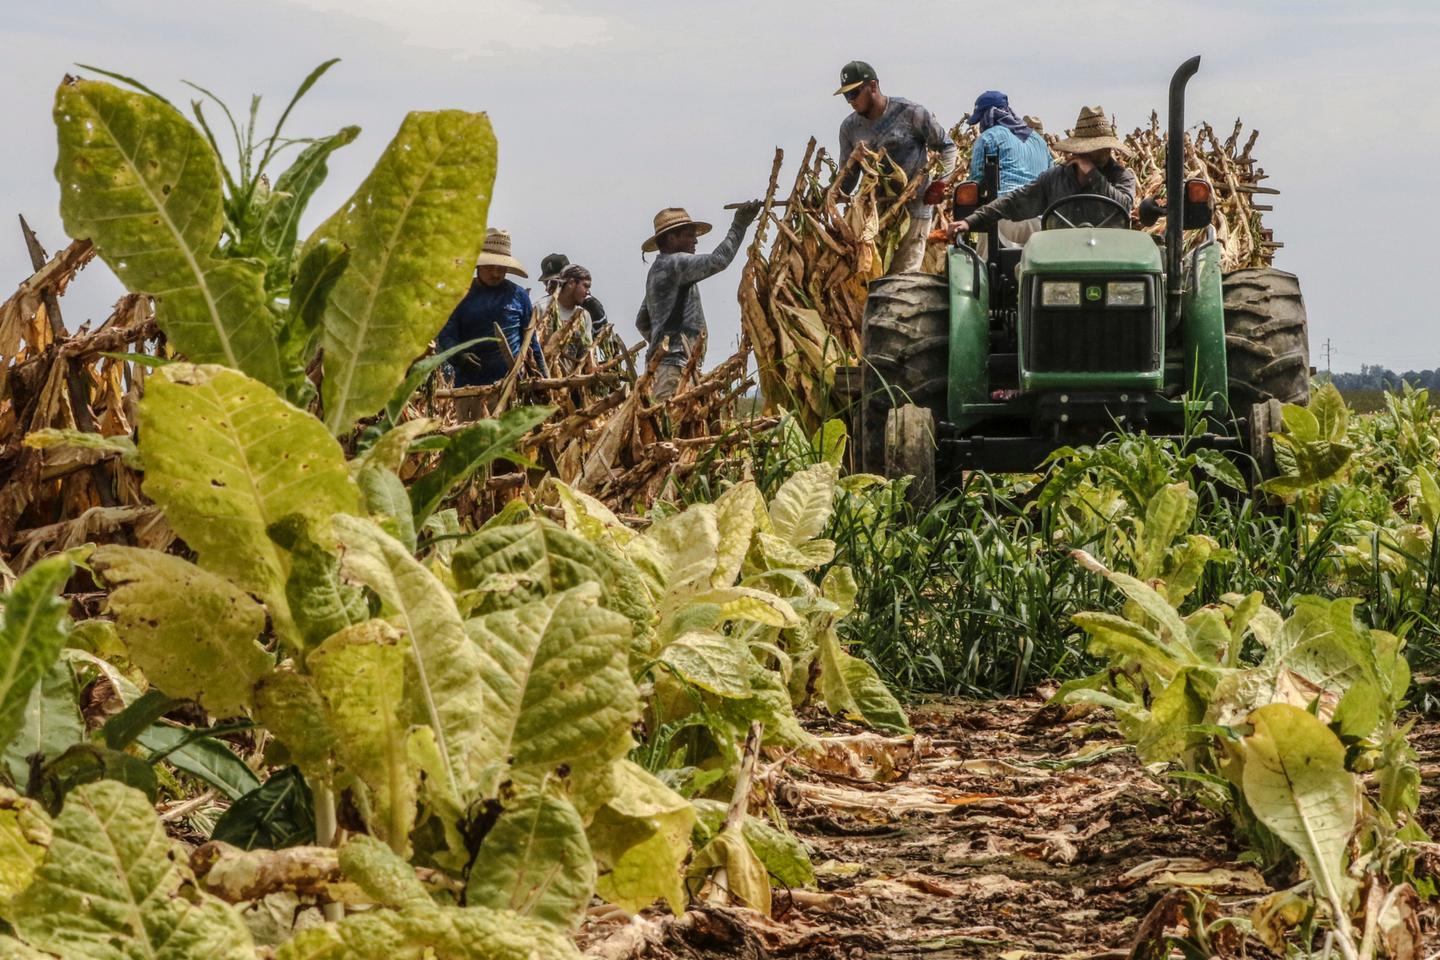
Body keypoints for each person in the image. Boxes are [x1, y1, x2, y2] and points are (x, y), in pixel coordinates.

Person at [835, 60, 958, 274]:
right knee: (875, 276)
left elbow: (947, 148)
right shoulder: (849, 128)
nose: (851, 102)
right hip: (876, 214)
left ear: (872, 86)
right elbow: (846, 183)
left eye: (854, 94)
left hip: (914, 208)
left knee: (904, 275)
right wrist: (848, 169)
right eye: (847, 96)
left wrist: (941, 183)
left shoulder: (911, 113)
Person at [950, 106, 1137, 242]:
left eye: (1105, 148)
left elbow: (1123, 207)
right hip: (1060, 255)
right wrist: (970, 222)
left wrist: (1093, 175)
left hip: (1108, 254)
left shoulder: (1122, 177)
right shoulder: (1055, 178)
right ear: (1080, 151)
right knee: (1022, 270)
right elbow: (1014, 201)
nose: (1105, 153)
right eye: (1096, 149)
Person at [636, 203, 761, 400]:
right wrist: (739, 225)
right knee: (673, 423)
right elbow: (718, 260)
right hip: (674, 368)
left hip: (667, 366)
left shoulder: (658, 271)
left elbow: (642, 321)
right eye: (689, 235)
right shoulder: (674, 263)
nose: (695, 240)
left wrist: (661, 343)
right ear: (671, 238)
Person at [437, 228, 547, 420]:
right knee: (471, 442)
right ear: (479, 266)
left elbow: (531, 342)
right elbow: (446, 336)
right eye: (490, 267)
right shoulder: (460, 295)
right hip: (469, 389)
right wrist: (458, 356)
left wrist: (545, 379)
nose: (496, 273)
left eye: (501, 268)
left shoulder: (518, 296)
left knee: (506, 443)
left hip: (509, 387)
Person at [964, 90, 1053, 252]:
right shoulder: (1038, 140)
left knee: (986, 269)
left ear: (987, 115)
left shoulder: (988, 137)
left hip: (1002, 217)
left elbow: (976, 181)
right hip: (1039, 220)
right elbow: (1052, 177)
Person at [538, 252, 609, 339]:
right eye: (546, 283)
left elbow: (605, 341)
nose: (548, 288)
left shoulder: (591, 306)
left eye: (555, 282)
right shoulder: (541, 307)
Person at [534, 263, 595, 363]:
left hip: (572, 377)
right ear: (571, 283)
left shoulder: (584, 316)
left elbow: (586, 354)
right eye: (585, 286)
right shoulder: (542, 308)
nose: (588, 292)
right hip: (542, 376)